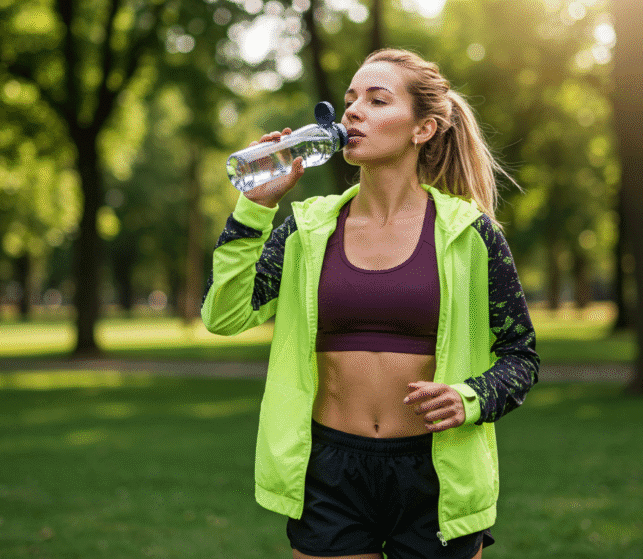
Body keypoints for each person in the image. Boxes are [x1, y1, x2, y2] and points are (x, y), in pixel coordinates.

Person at [201, 48, 539, 559]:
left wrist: (470, 397)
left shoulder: (471, 235)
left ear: (422, 129)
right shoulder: (306, 229)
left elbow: (521, 356)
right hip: (331, 470)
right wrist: (255, 207)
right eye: (350, 99)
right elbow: (224, 316)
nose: (354, 110)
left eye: (377, 100)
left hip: (436, 470)